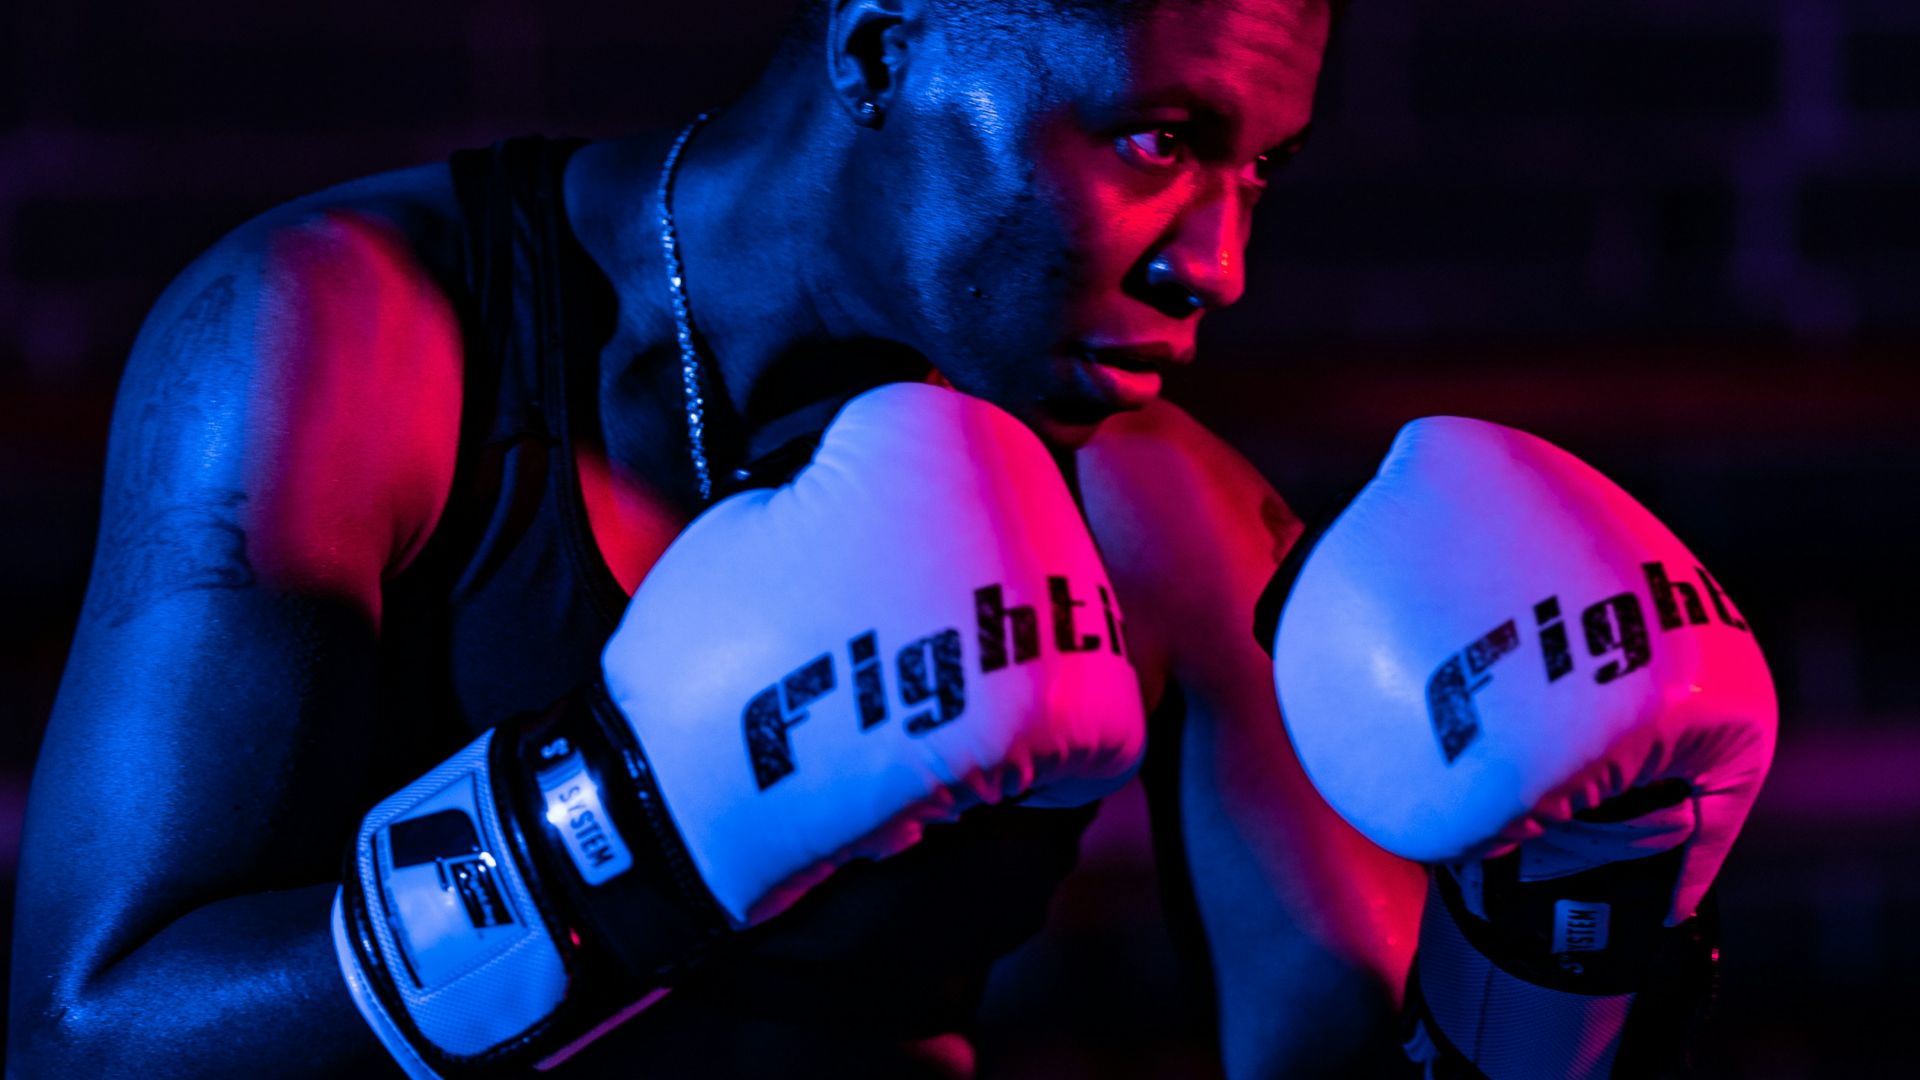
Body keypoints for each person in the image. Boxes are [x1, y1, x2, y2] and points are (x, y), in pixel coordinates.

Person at [7, 0, 1770, 1077]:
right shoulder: (349, 344)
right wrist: (621, 829)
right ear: (882, 48)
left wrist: (1567, 937)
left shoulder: (1148, 504)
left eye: (1262, 173)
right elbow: (90, 1047)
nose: (1215, 262)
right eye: (1158, 141)